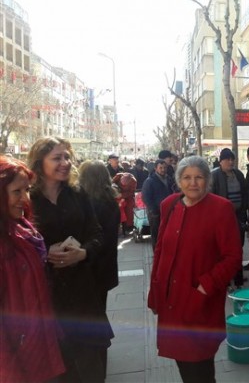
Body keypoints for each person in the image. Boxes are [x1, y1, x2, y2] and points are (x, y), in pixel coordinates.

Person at [147, 156, 242, 383]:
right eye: (187, 177)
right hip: (172, 299)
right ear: (179, 180)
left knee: (200, 366)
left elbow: (233, 257)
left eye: (199, 177)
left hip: (199, 300)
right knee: (183, 363)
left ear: (207, 180)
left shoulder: (221, 208)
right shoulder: (169, 204)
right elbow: (160, 250)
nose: (193, 183)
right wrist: (156, 291)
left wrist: (205, 286)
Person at [28, 137, 113, 382]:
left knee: (94, 364)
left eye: (67, 157)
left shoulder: (77, 194)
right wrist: (44, 254)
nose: (65, 163)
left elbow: (97, 234)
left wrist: (83, 252)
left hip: (83, 293)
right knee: (61, 369)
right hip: (46, 296)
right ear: (39, 162)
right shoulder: (27, 200)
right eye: (57, 158)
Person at [0, 156, 66, 382]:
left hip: (39, 340)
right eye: (17, 192)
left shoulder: (21, 227)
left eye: (27, 190)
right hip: (17, 355)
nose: (25, 199)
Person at [78, 160, 120, 377]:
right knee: (99, 308)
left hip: (91, 267)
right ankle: (99, 346)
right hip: (105, 267)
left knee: (92, 312)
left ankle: (98, 348)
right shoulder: (110, 201)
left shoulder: (90, 203)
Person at [210, 148, 248, 288]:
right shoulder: (214, 176)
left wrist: (244, 214)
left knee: (237, 247)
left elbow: (245, 194)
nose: (231, 162)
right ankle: (225, 279)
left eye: (232, 159)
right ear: (221, 161)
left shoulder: (238, 174)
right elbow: (210, 198)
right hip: (222, 218)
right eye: (228, 159)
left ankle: (238, 278)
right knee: (223, 250)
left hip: (238, 217)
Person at [142, 159, 173, 247]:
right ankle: (156, 255)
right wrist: (154, 211)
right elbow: (146, 198)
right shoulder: (149, 181)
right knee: (157, 235)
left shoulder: (169, 179)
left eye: (165, 167)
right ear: (156, 168)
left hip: (168, 211)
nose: (163, 170)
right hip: (155, 213)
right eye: (160, 168)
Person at [112, 171, 137, 236]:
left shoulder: (133, 181)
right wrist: (115, 191)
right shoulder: (118, 176)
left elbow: (132, 192)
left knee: (129, 210)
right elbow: (111, 183)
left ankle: (128, 226)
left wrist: (122, 195)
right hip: (117, 193)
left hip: (128, 196)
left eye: (125, 184)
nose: (123, 185)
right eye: (122, 183)